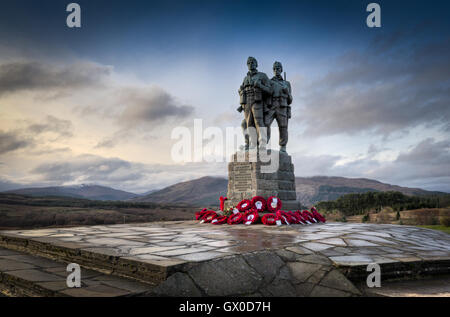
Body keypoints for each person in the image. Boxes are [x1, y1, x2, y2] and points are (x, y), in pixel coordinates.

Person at [238, 56, 272, 150]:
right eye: (248, 63)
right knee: (249, 123)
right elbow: (243, 90)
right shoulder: (245, 78)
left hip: (257, 100)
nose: (250, 64)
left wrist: (260, 85)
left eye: (252, 62)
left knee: (258, 121)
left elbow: (270, 90)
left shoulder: (262, 76)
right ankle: (253, 144)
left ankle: (262, 143)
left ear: (256, 64)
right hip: (246, 102)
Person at [265, 61, 292, 153]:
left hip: (282, 106)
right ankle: (263, 144)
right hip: (271, 106)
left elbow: (290, 100)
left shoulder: (287, 83)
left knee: (283, 127)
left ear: (281, 69)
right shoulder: (269, 81)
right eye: (274, 68)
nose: (276, 70)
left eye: (278, 68)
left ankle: (283, 146)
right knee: (265, 124)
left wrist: (287, 92)